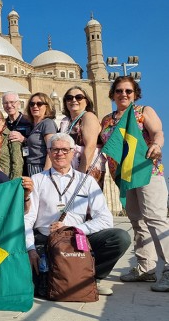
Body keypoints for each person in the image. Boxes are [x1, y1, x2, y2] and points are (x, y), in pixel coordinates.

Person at [24, 133, 131, 296]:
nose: (60, 154)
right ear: (49, 152)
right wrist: (30, 249)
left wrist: (74, 228)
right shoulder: (37, 179)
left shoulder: (86, 181)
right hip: (46, 239)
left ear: (73, 152)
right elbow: (28, 217)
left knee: (120, 238)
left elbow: (105, 219)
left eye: (65, 150)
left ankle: (91, 278)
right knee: (33, 285)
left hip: (77, 238)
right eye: (56, 150)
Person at [100, 76, 169, 292]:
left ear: (135, 94)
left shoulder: (143, 112)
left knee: (155, 219)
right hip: (125, 176)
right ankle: (145, 268)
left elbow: (157, 132)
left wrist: (157, 145)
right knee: (137, 221)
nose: (123, 94)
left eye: (128, 91)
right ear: (112, 94)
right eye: (119, 91)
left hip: (147, 171)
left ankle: (168, 269)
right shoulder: (107, 120)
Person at [59, 87, 106, 188]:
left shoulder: (88, 117)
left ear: (87, 101)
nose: (74, 100)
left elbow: (90, 146)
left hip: (86, 169)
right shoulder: (66, 122)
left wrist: (80, 175)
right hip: (70, 169)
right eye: (69, 98)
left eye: (79, 97)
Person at [25, 92, 57, 176]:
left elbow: (51, 149)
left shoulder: (47, 123)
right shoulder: (33, 125)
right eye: (32, 104)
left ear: (47, 107)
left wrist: (46, 173)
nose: (35, 106)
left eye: (39, 104)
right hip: (31, 167)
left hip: (41, 168)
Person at [0, 109, 23, 179]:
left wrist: (13, 184)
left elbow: (17, 163)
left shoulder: (11, 136)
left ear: (3, 122)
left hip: (7, 180)